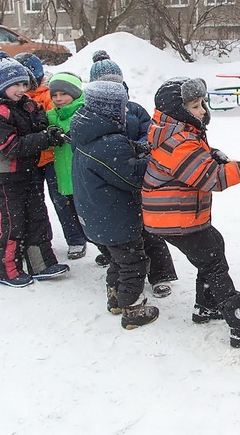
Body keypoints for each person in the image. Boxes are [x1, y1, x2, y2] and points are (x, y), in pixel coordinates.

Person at [142, 77, 240, 348]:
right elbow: (211, 178)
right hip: (172, 216)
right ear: (179, 112)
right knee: (213, 262)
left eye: (202, 103)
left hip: (179, 214)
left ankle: (206, 307)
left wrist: (211, 153)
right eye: (195, 106)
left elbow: (196, 162)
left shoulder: (180, 133)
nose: (203, 110)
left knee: (214, 246)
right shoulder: (178, 141)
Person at [88, 49, 178, 297]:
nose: (111, 89)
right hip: (116, 177)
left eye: (115, 83)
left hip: (139, 174)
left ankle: (161, 274)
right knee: (124, 233)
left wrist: (141, 146)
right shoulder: (93, 115)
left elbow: (151, 132)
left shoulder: (134, 109)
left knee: (150, 228)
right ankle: (125, 275)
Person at [70, 80, 159, 329]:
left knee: (118, 260)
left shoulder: (89, 133)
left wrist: (135, 148)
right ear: (109, 109)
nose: (127, 111)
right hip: (115, 217)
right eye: (123, 107)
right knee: (134, 262)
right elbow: (131, 177)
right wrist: (153, 160)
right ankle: (133, 309)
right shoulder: (109, 143)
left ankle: (115, 297)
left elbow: (110, 162)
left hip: (96, 214)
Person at [0, 53, 70, 287]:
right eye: (14, 85)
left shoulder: (27, 104)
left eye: (23, 83)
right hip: (4, 177)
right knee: (10, 224)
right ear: (1, 86)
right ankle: (5, 270)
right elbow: (10, 146)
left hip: (29, 172)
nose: (21, 89)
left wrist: (47, 130)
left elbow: (39, 122)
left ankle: (41, 263)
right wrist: (43, 138)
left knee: (37, 218)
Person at [17, 52, 88, 260]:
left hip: (54, 159)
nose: (58, 99)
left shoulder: (49, 95)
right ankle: (42, 240)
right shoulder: (18, 98)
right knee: (45, 203)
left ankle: (77, 238)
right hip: (33, 158)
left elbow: (57, 120)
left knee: (66, 201)